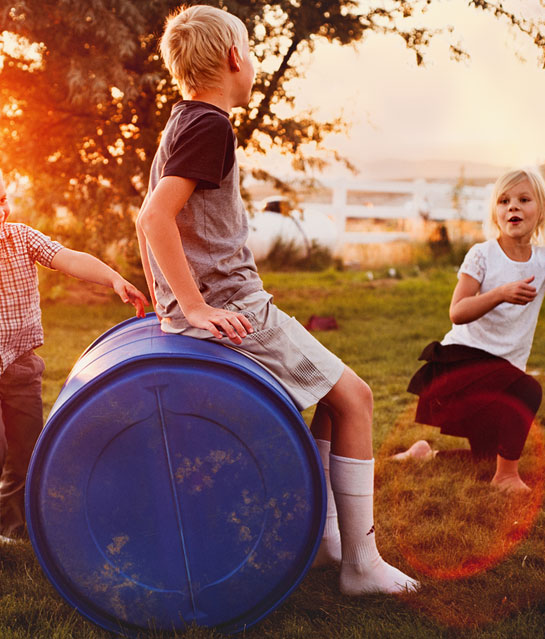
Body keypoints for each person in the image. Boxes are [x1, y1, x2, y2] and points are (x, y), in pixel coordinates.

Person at [135, 5, 417, 596]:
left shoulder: (182, 120)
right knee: (357, 400)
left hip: (229, 297)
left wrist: (170, 300)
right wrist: (192, 306)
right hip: (230, 305)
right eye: (251, 49)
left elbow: (150, 225)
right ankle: (361, 565)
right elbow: (155, 216)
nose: (254, 61)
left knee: (329, 400)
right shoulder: (210, 124)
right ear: (235, 58)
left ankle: (327, 539)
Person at [0, 151, 148, 560]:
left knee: (25, 449)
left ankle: (14, 524)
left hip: (21, 364)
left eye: (1, 200)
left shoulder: (22, 237)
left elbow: (67, 259)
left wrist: (113, 278)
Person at [395, 168, 545, 493]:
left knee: (483, 455)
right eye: (504, 201)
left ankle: (426, 453)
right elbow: (458, 311)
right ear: (496, 212)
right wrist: (499, 294)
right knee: (528, 390)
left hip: (502, 372)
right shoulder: (482, 254)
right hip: (462, 364)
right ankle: (506, 477)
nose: (513, 207)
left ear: (541, 211)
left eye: (524, 200)